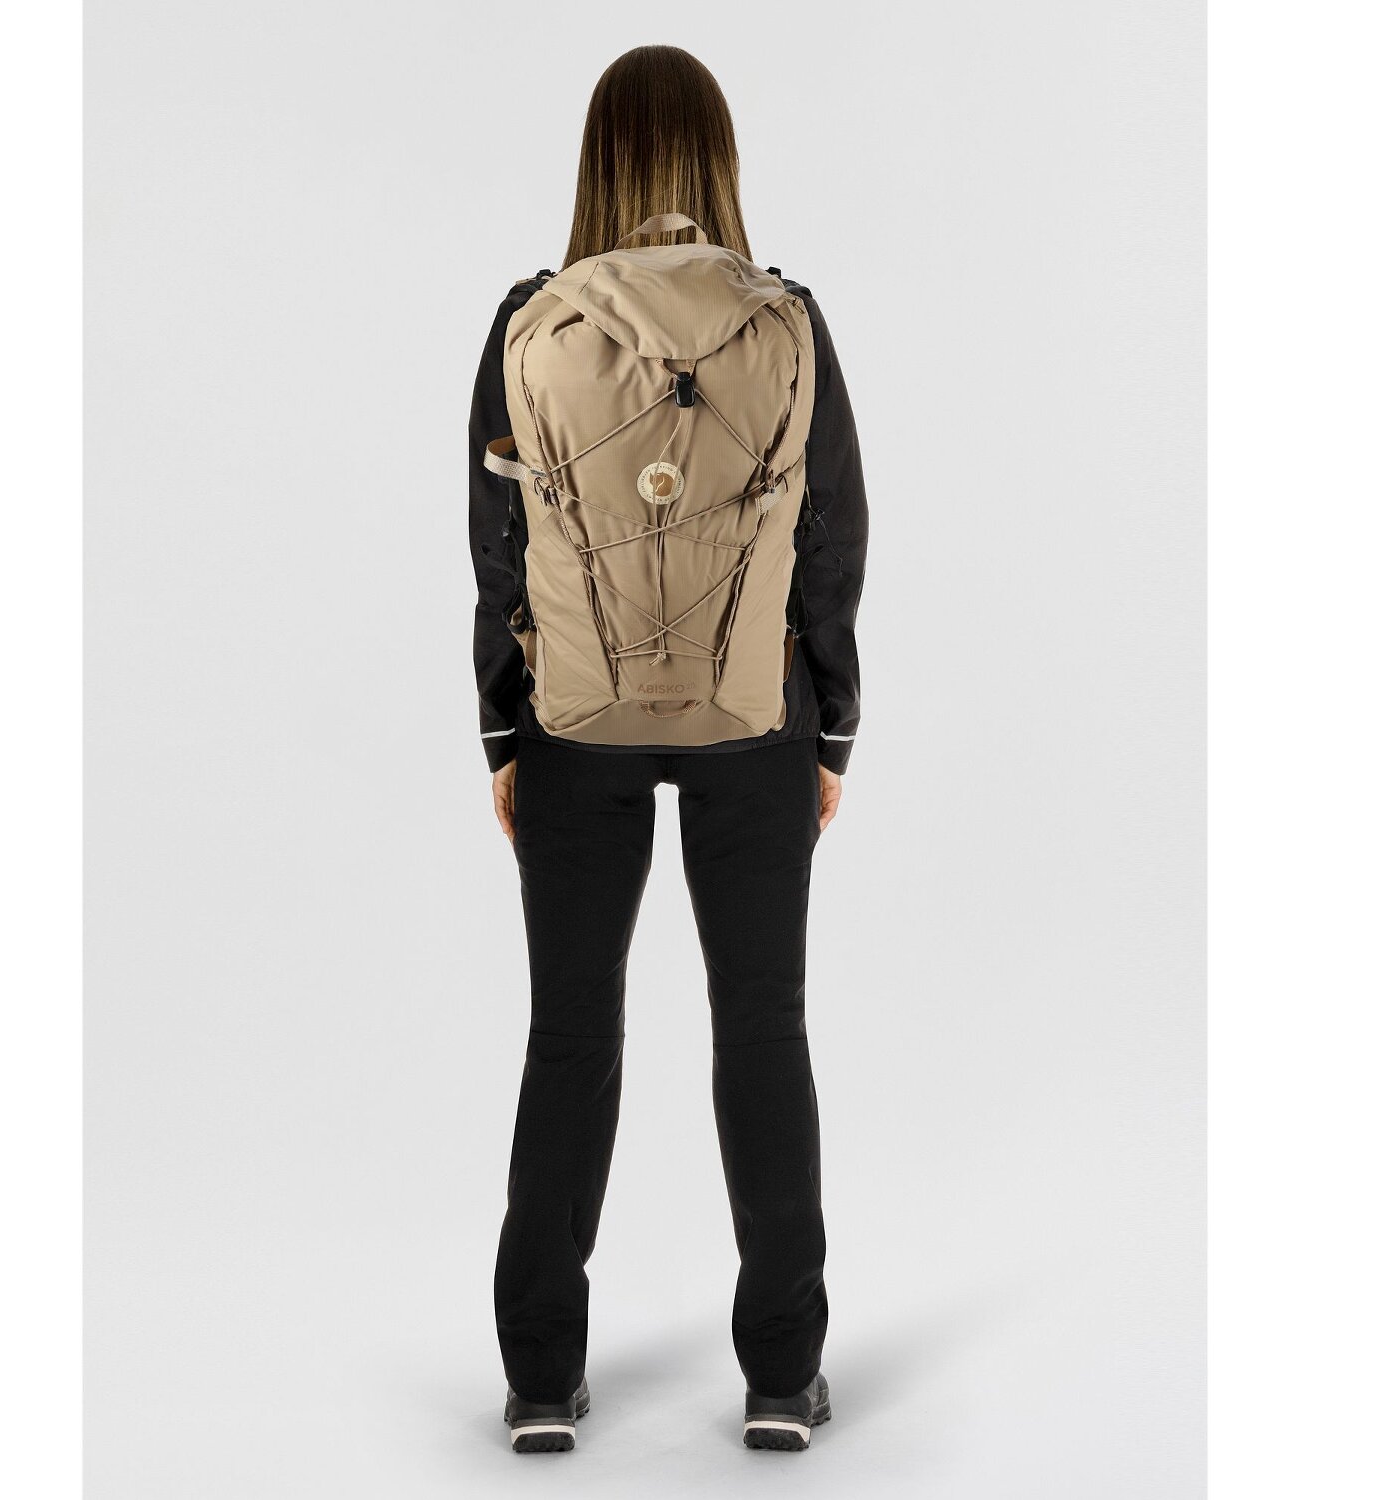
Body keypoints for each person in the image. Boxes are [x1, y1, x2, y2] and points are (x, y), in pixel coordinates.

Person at [467, 44, 867, 1453]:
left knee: (570, 1031)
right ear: (719, 159)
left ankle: (539, 1379)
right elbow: (831, 536)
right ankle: (781, 1377)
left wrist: (505, 726)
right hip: (756, 716)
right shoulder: (787, 319)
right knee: (764, 1024)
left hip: (574, 719)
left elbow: (498, 544)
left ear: (599, 160)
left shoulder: (532, 320)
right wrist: (833, 722)